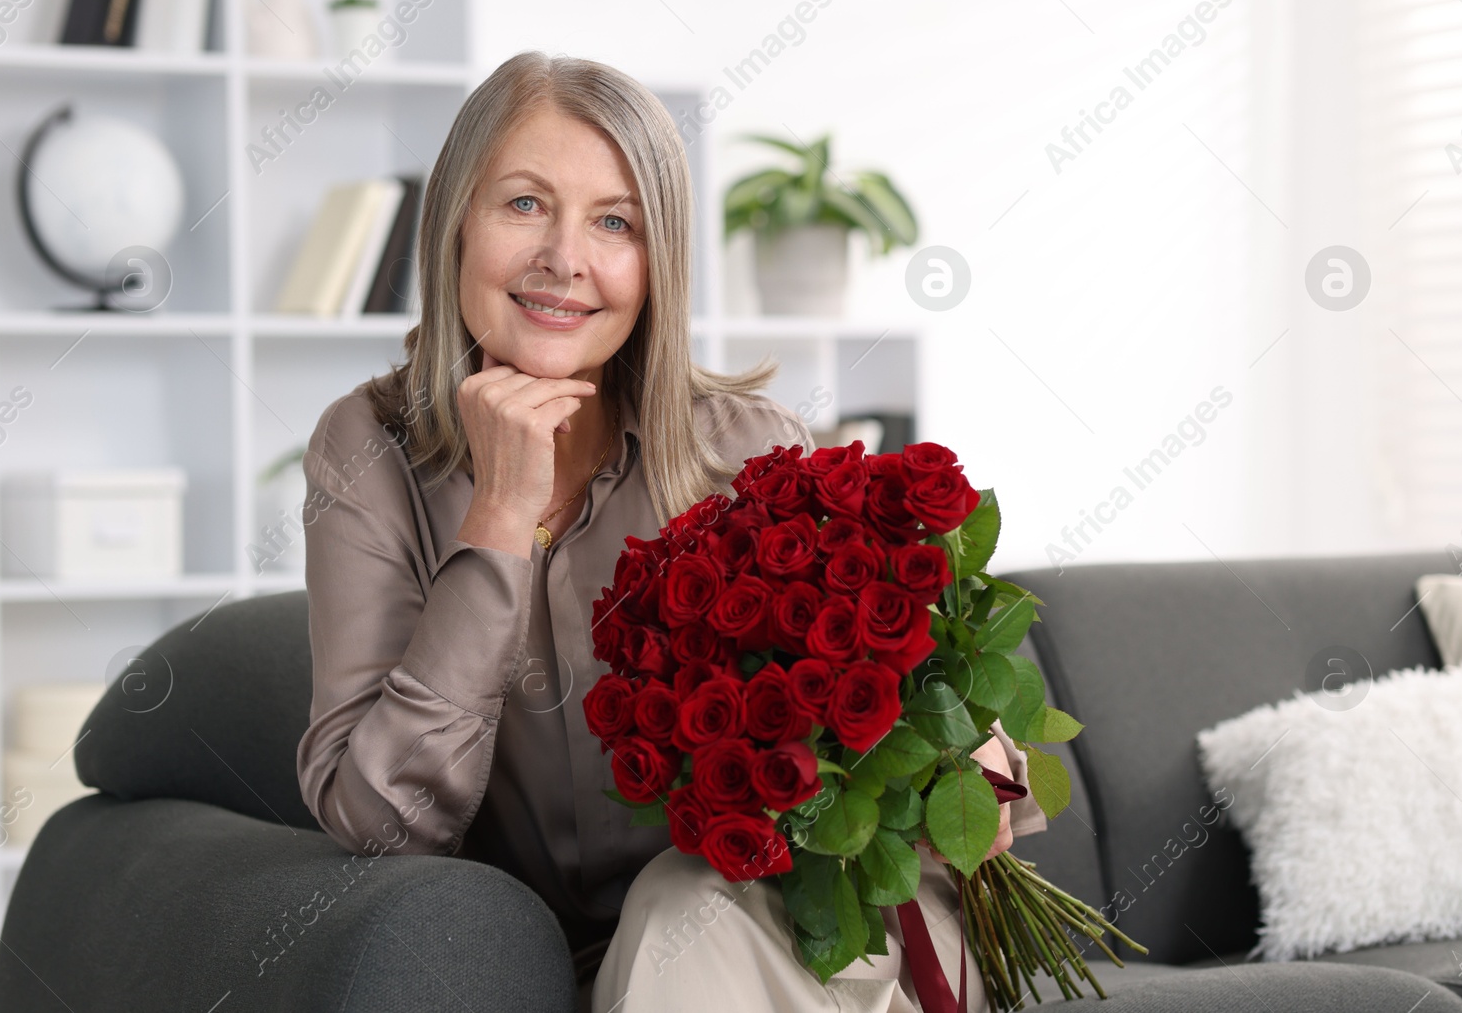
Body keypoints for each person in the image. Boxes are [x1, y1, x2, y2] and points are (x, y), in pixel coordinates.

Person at [294, 49, 1046, 1013]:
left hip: (798, 927)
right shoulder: (366, 453)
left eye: (616, 223)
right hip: (547, 954)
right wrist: (497, 522)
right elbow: (380, 821)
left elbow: (908, 696)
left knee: (683, 896)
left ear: (657, 267)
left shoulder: (747, 448)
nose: (565, 258)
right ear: (453, 225)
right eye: (524, 204)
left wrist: (973, 761)